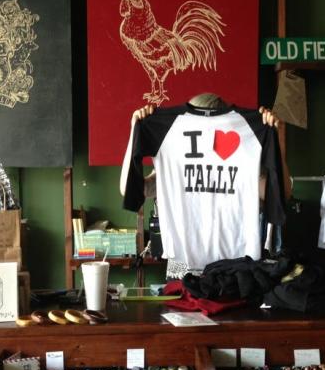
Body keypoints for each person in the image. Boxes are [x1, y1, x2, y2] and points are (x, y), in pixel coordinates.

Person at [119, 94, 287, 278]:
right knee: (183, 295)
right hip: (183, 266)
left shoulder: (245, 146)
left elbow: (282, 194)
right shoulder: (173, 153)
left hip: (234, 267)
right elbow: (130, 189)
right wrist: (135, 130)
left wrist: (277, 137)